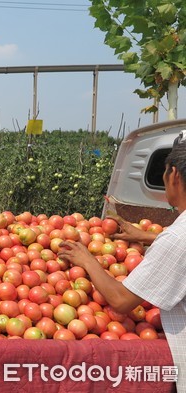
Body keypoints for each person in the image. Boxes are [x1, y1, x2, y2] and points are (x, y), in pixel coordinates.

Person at [58, 139, 186, 393]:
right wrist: (148, 237)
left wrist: (88, 261)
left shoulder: (176, 239)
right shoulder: (175, 237)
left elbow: (121, 300)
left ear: (173, 174)